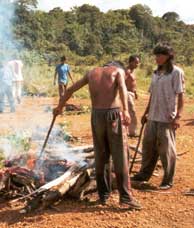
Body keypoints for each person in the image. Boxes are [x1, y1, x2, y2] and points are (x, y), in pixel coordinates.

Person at [53, 61, 141, 210]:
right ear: (116, 66)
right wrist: (125, 110)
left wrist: (59, 107)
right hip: (113, 114)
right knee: (120, 155)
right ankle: (126, 198)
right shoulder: (118, 71)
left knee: (101, 156)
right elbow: (122, 89)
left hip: (96, 116)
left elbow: (70, 90)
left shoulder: (91, 72)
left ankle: (103, 195)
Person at [132, 43, 184, 190]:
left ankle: (168, 179)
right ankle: (144, 174)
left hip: (167, 117)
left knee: (166, 149)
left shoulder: (176, 72)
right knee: (148, 147)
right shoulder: (155, 73)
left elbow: (180, 96)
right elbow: (152, 95)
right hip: (153, 116)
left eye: (160, 55)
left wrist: (178, 117)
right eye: (156, 55)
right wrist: (146, 112)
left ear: (168, 56)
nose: (157, 58)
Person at [125, 55, 140, 137]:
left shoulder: (132, 71)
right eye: (136, 63)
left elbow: (132, 83)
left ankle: (130, 131)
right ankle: (132, 132)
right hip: (127, 94)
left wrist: (135, 92)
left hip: (131, 94)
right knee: (132, 112)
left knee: (131, 112)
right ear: (130, 62)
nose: (137, 64)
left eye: (138, 63)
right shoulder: (126, 71)